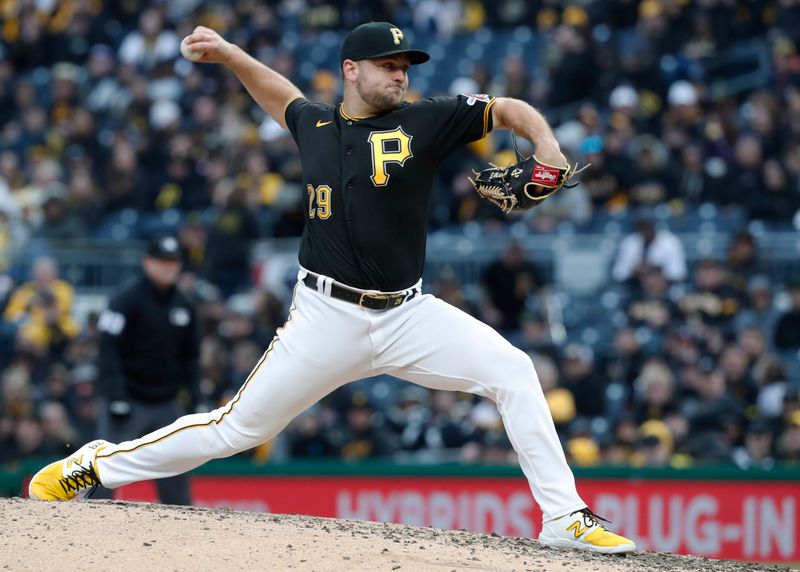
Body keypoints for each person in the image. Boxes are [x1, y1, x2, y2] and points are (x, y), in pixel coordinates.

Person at [28, 22, 635, 553]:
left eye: (404, 67)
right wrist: (234, 54)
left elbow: (506, 108)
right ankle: (94, 464)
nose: (399, 76)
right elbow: (281, 96)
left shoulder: (426, 119)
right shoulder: (315, 125)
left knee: (515, 371)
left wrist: (547, 145)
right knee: (235, 431)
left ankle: (564, 517)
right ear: (351, 70)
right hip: (324, 316)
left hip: (407, 315)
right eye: (388, 66)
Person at [92, 235, 200, 505]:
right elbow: (107, 349)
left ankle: (182, 535)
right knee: (108, 468)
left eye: (174, 262)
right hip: (128, 400)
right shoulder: (126, 300)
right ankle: (89, 525)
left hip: (166, 403)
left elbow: (191, 358)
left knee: (175, 473)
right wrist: (115, 395)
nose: (169, 267)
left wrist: (195, 399)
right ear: (147, 263)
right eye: (163, 261)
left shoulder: (184, 305)